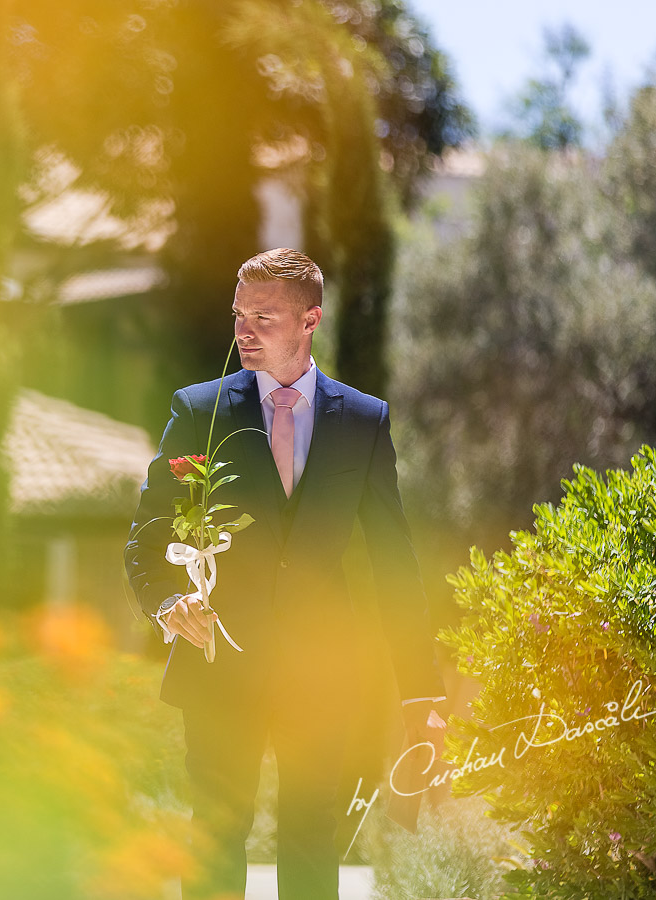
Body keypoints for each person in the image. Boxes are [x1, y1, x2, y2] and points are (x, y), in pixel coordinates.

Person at [123, 248, 447, 900]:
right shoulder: (199, 411)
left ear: (310, 321)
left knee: (309, 837)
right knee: (215, 835)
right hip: (218, 665)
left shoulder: (363, 421)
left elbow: (393, 559)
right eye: (239, 315)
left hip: (321, 673)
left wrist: (421, 692)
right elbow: (150, 533)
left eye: (264, 317)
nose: (244, 330)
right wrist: (167, 602)